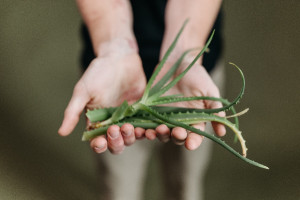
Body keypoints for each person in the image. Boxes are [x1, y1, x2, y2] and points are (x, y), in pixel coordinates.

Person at [58, 0, 225, 199]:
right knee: (118, 185)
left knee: (184, 183)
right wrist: (113, 46)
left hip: (191, 81)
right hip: (111, 82)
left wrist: (186, 53)